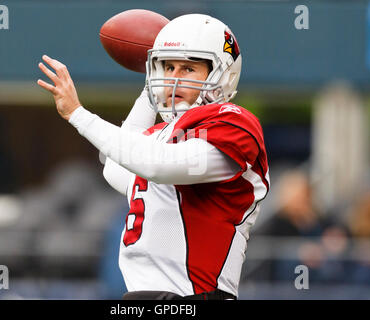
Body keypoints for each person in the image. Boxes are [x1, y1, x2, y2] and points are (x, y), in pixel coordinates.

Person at [37, 14, 270, 300]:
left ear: (222, 74)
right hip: (144, 297)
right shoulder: (159, 136)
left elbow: (159, 164)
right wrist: (149, 92)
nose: (173, 77)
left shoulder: (233, 121)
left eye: (188, 68)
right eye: (167, 66)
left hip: (194, 297)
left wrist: (79, 115)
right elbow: (116, 169)